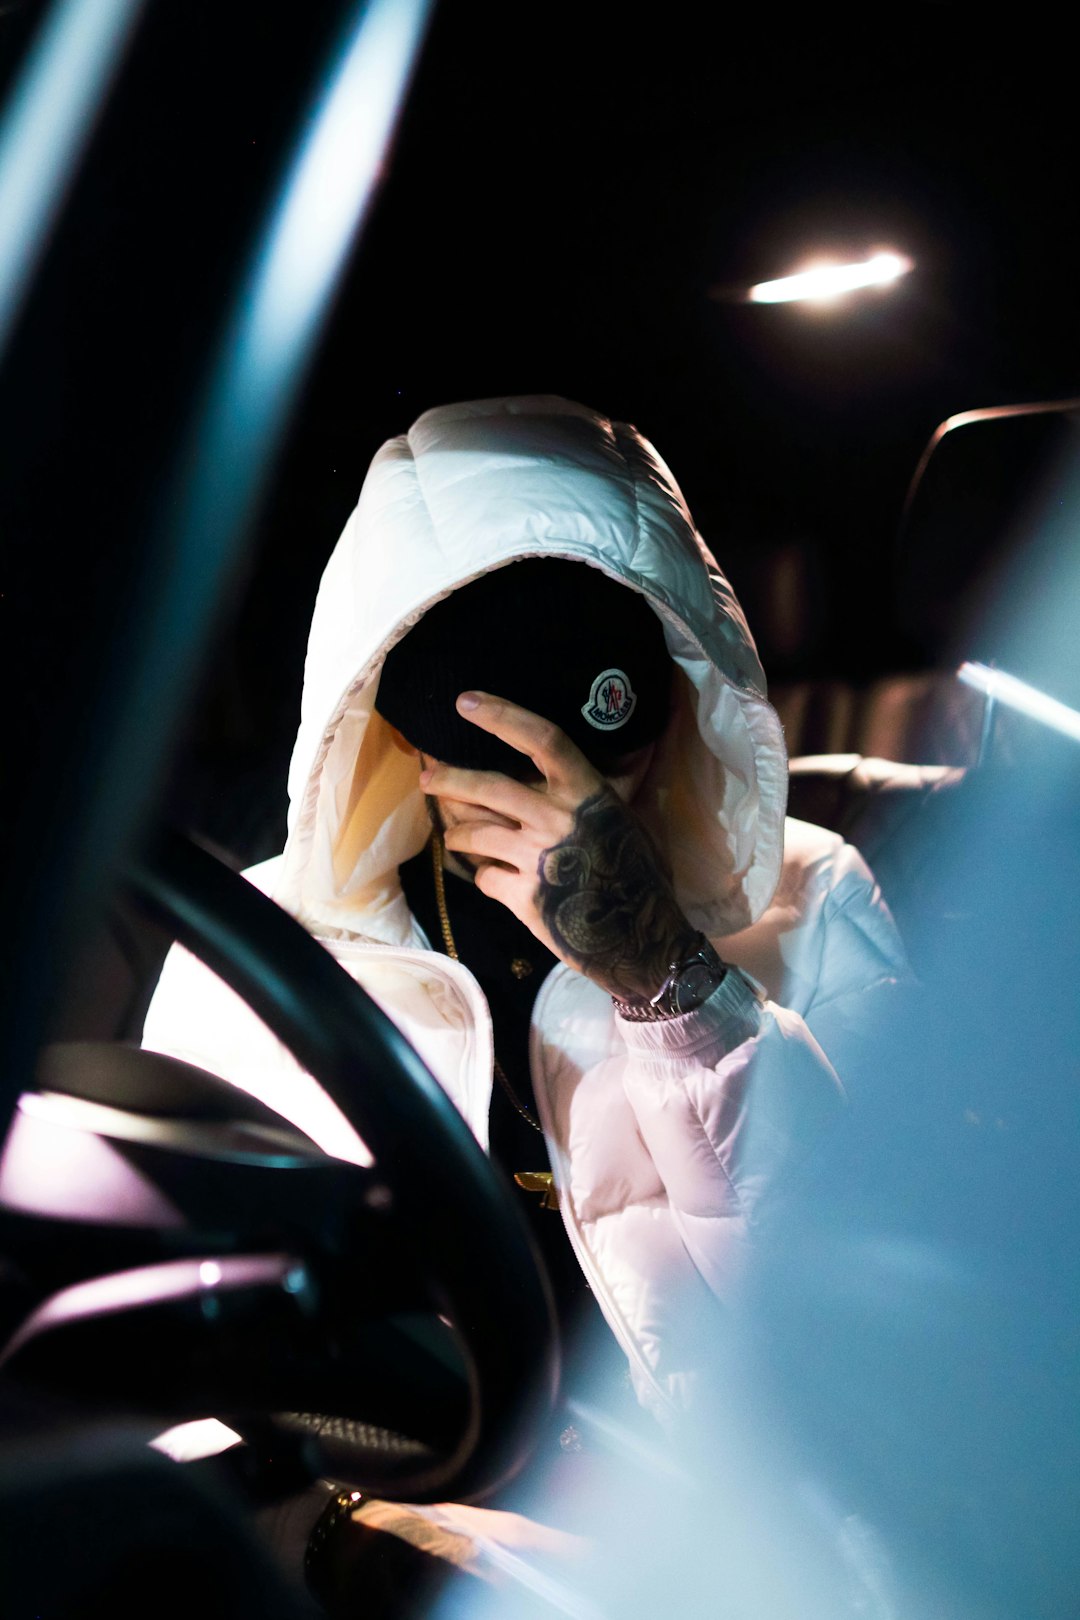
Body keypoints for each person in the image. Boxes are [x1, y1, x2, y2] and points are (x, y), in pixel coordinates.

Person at [143, 394, 907, 1425]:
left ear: (679, 691)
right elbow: (203, 1362)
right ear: (396, 729)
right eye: (503, 752)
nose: (568, 794)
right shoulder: (261, 953)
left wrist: (672, 983)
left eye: (606, 737)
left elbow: (868, 1322)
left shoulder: (814, 901)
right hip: (398, 1520)